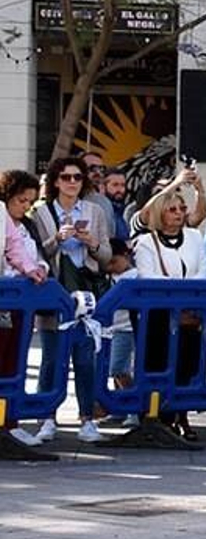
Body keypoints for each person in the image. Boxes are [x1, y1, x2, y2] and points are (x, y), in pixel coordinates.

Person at [30, 155, 113, 443]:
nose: (73, 182)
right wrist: (57, 239)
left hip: (86, 294)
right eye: (66, 177)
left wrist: (92, 243)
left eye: (78, 177)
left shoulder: (95, 211)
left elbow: (106, 258)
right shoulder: (41, 213)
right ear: (55, 181)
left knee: (86, 359)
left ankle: (87, 419)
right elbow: (36, 254)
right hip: (54, 294)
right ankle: (46, 417)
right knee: (52, 360)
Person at [132, 181, 206, 440]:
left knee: (186, 365)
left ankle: (182, 416)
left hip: (189, 313)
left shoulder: (195, 237)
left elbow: (204, 269)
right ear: (160, 213)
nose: (179, 213)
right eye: (172, 209)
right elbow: (147, 275)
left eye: (182, 209)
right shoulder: (146, 242)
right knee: (157, 363)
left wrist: (186, 293)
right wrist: (179, 290)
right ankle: (157, 417)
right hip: (159, 315)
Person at [1, 171, 49, 449]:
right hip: (7, 295)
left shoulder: (21, 225)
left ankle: (9, 422)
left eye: (30, 202)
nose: (26, 206)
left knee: (12, 362)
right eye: (21, 200)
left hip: (18, 302)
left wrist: (34, 268)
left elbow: (17, 248)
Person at [101, 167, 131, 241]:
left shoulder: (127, 210)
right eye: (115, 185)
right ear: (103, 187)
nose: (120, 189)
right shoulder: (99, 210)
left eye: (123, 185)